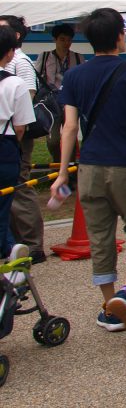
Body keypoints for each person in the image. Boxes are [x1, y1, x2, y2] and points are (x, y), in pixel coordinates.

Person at [51, 7, 126, 333]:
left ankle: (109, 308)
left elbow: (69, 128)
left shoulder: (74, 76)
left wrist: (61, 173)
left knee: (99, 238)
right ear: (120, 36)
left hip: (90, 167)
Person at [0, 14, 45, 264]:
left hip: (14, 140)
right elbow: (19, 121)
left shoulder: (22, 63)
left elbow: (28, 97)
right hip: (8, 139)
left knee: (18, 189)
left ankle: (28, 244)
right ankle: (10, 246)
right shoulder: (12, 79)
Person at [35, 23, 86, 162]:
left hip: (71, 102)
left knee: (70, 134)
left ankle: (69, 168)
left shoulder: (78, 58)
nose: (66, 43)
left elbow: (83, 80)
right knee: (53, 140)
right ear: (55, 39)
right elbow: (37, 79)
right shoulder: (45, 57)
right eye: (62, 39)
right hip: (51, 103)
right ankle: (58, 163)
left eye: (69, 40)